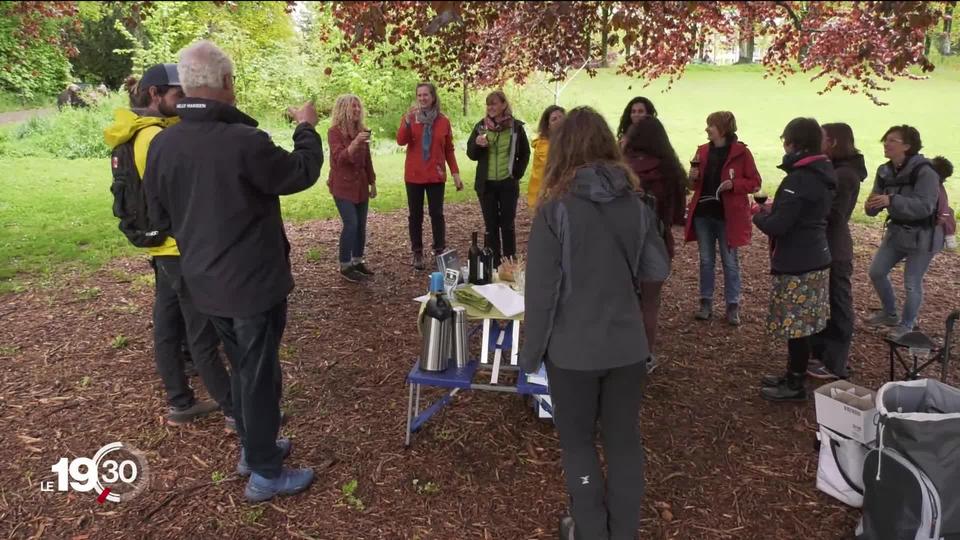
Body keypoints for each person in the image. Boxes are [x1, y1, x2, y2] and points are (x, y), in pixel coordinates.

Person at [144, 41, 323, 503]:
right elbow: (300, 172)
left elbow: (158, 218)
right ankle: (265, 472)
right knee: (258, 377)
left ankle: (254, 448)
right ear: (225, 84)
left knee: (243, 369)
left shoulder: (164, 143)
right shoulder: (243, 141)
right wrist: (306, 127)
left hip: (204, 282)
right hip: (251, 286)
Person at [520, 106, 670, 540]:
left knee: (579, 443)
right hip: (626, 345)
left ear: (562, 149)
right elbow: (655, 270)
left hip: (573, 350)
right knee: (623, 441)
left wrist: (530, 355)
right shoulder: (638, 204)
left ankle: (590, 529)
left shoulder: (555, 210)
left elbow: (542, 293)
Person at [103, 64, 234, 430]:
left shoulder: (132, 132)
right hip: (180, 247)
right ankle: (234, 410)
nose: (185, 101)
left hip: (161, 249)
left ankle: (180, 400)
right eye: (178, 95)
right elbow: (177, 193)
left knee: (166, 324)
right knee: (202, 331)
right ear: (154, 94)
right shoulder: (153, 139)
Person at [755, 118, 836, 401]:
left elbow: (778, 226)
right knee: (801, 325)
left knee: (797, 328)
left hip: (799, 262)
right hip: (815, 255)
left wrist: (757, 214)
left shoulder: (800, 179)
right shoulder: (821, 173)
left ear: (795, 144)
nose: (784, 147)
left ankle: (795, 385)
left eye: (785, 141)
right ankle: (793, 374)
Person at [864, 125, 944, 340]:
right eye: (885, 140)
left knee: (912, 282)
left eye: (892, 140)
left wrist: (892, 200)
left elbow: (925, 206)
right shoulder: (885, 170)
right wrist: (872, 206)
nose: (886, 144)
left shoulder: (926, 172)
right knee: (877, 272)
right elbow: (873, 205)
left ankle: (907, 325)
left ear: (907, 146)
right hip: (897, 231)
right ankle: (890, 314)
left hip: (923, 235)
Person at [622, 116, 687, 373]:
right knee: (650, 303)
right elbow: (676, 214)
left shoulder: (621, 168)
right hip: (657, 243)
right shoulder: (670, 169)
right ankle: (645, 355)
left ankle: (620, 352)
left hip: (621, 245)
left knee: (623, 301)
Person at [685, 111, 761, 325]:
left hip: (728, 216)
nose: (707, 129)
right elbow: (691, 185)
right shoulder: (702, 151)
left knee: (730, 262)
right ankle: (706, 302)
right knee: (706, 260)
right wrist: (691, 178)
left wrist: (734, 185)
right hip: (703, 214)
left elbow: (755, 182)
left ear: (724, 129)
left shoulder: (741, 153)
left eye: (711, 125)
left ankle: (732, 305)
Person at [805, 123, 867, 380]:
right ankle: (820, 355)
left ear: (833, 142)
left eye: (821, 138)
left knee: (838, 304)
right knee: (823, 302)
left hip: (835, 248)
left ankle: (834, 363)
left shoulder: (843, 175)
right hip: (826, 245)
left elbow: (834, 214)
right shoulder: (839, 171)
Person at [396, 82, 463, 270]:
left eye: (426, 95)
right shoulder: (410, 118)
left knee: (437, 214)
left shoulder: (443, 121)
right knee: (415, 215)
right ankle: (417, 252)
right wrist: (407, 123)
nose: (422, 98)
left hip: (435, 174)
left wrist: (455, 173)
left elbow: (448, 149)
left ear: (433, 97)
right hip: (414, 175)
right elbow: (401, 141)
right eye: (419, 95)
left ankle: (439, 249)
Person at [466, 90, 531, 268]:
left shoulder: (515, 127)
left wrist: (516, 173)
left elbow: (525, 153)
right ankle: (494, 265)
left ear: (503, 105)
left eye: (494, 104)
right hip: (486, 184)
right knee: (491, 226)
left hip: (507, 183)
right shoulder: (481, 127)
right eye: (488, 104)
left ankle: (509, 263)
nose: (491, 108)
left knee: (507, 225)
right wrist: (477, 144)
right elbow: (471, 153)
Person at [327, 94, 376, 283]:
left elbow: (367, 159)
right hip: (343, 185)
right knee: (351, 223)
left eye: (358, 107)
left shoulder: (362, 130)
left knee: (361, 225)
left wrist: (372, 181)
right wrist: (355, 143)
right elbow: (339, 159)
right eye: (352, 107)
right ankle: (345, 265)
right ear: (342, 110)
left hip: (361, 184)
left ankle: (357, 261)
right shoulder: (334, 132)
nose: (356, 110)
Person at [526, 105, 565, 211]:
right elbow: (555, 167)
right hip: (544, 196)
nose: (559, 121)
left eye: (561, 117)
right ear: (548, 125)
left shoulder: (568, 141)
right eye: (554, 119)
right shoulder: (543, 145)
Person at [931, 156, 957, 252]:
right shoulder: (938, 186)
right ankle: (949, 235)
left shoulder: (937, 186)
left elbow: (943, 210)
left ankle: (949, 235)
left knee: (947, 211)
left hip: (936, 218)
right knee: (947, 211)